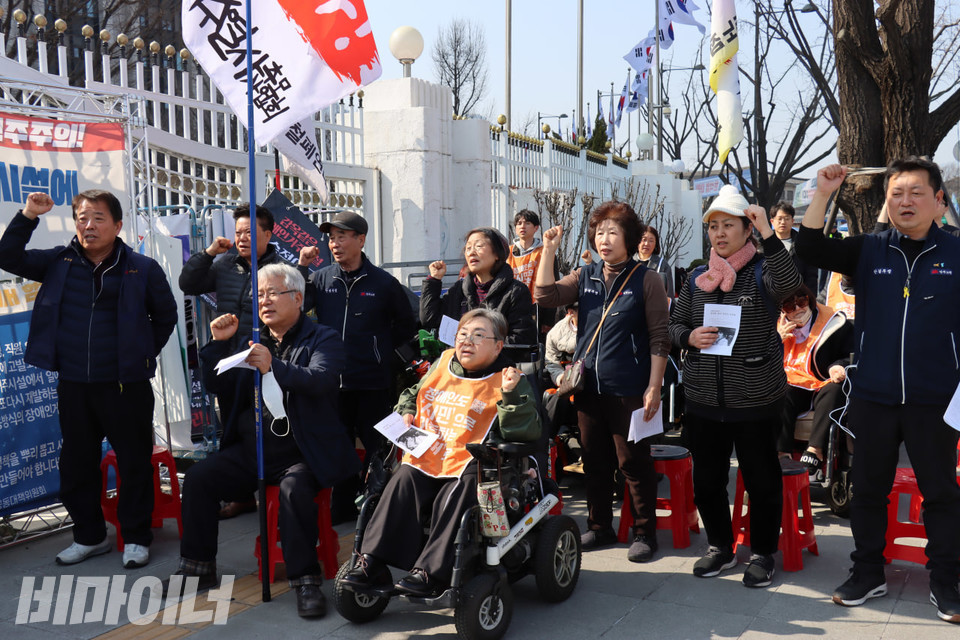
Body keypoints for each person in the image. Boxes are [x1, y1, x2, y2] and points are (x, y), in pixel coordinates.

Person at [796, 159, 960, 623]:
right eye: (896, 194)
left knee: (941, 493)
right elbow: (809, 246)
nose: (905, 201)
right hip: (873, 395)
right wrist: (823, 193)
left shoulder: (955, 252)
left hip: (935, 397)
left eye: (916, 192)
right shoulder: (870, 249)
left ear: (939, 200)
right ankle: (867, 571)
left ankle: (946, 580)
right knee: (867, 489)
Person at [0, 190, 178, 568]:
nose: (89, 225)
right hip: (75, 384)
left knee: (133, 463)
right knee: (77, 465)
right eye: (82, 218)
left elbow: (165, 316)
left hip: (126, 385)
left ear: (117, 225)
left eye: (98, 218)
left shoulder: (142, 268)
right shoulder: (59, 262)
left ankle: (136, 537)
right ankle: (89, 536)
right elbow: (7, 256)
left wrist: (140, 355)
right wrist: (28, 215)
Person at [172, 263, 358, 618]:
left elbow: (321, 380)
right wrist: (218, 345)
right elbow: (217, 384)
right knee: (198, 479)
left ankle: (305, 580)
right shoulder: (249, 339)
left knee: (293, 490)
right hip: (252, 449)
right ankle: (197, 567)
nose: (264, 301)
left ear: (298, 298)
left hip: (303, 451)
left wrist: (274, 365)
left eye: (273, 293)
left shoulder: (323, 337)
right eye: (258, 295)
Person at [341, 309, 540, 596]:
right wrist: (406, 411)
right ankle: (371, 561)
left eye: (478, 336)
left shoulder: (509, 378)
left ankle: (430, 572)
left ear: (498, 346)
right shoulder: (444, 363)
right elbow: (413, 394)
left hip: (474, 460)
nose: (467, 341)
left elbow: (526, 432)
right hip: (429, 452)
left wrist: (509, 395)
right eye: (462, 334)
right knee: (403, 478)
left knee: (459, 488)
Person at [668, 184, 802, 588]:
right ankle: (720, 547)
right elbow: (674, 325)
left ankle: (762, 553)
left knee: (761, 480)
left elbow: (789, 284)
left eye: (729, 225)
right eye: (713, 227)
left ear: (747, 229)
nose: (720, 233)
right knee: (707, 481)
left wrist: (769, 234)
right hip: (703, 399)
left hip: (756, 399)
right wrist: (689, 337)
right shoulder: (698, 278)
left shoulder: (762, 271)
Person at [535, 201, 670, 564]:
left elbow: (660, 337)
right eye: (599, 233)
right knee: (594, 461)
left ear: (629, 238)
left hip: (630, 389)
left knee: (634, 464)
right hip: (588, 389)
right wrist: (548, 250)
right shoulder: (585, 276)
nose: (604, 240)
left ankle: (644, 533)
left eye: (612, 232)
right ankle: (599, 527)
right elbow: (544, 295)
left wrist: (654, 386)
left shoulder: (647, 280)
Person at [298, 211, 417, 523]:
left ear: (360, 240)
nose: (334, 244)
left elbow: (407, 326)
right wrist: (302, 268)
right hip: (330, 381)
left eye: (341, 237)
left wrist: (385, 357)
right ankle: (342, 508)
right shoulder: (321, 279)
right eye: (331, 238)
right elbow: (297, 308)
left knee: (377, 446)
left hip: (372, 381)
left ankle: (379, 506)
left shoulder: (384, 283)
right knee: (337, 446)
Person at [179, 203, 284, 520]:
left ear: (268, 234)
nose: (242, 238)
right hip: (230, 359)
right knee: (231, 426)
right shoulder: (225, 264)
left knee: (266, 427)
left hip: (265, 359)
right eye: (238, 232)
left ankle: (278, 491)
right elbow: (189, 283)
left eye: (250, 232)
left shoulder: (279, 269)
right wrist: (208, 253)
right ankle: (241, 497)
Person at [420, 227, 536, 359]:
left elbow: (520, 339)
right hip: (458, 364)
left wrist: (478, 352)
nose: (471, 252)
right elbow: (430, 319)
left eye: (479, 246)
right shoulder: (459, 289)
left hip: (497, 366)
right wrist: (434, 280)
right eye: (468, 248)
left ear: (497, 254)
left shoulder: (516, 291)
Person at [775, 286, 851, 474]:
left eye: (801, 302)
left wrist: (838, 366)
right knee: (780, 390)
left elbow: (851, 354)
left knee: (835, 389)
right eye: (790, 306)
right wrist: (777, 340)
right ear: (782, 310)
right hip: (792, 384)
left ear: (809, 299)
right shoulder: (773, 326)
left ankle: (815, 450)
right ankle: (782, 454)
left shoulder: (835, 323)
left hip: (823, 382)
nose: (797, 309)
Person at [543, 303, 579, 436]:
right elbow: (551, 362)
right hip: (568, 382)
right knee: (556, 399)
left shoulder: (602, 326)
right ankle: (547, 440)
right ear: (571, 312)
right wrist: (561, 378)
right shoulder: (555, 333)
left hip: (596, 383)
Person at [769, 201, 819, 292]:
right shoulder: (765, 245)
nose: (783, 222)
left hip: (797, 295)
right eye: (779, 219)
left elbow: (811, 275)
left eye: (787, 219)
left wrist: (809, 297)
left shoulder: (803, 244)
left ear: (792, 221)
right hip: (770, 296)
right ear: (772, 221)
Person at [637, 225, 674, 298]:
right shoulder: (628, 263)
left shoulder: (662, 265)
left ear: (655, 244)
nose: (647, 244)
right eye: (644, 239)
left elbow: (669, 296)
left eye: (651, 241)